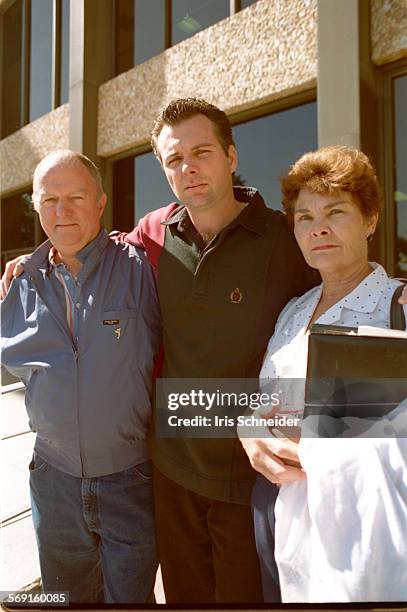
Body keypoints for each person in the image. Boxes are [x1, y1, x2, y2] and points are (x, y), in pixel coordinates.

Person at [240, 145, 407, 602]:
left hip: (362, 525)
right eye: (304, 218)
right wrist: (251, 431)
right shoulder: (293, 312)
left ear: (371, 219)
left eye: (336, 212)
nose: (320, 229)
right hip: (276, 508)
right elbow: (264, 397)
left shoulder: (399, 307)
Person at [0, 151, 161, 604]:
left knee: (130, 600)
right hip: (54, 481)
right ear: (35, 205)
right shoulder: (20, 282)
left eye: (76, 197)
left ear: (101, 202)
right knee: (63, 599)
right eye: (49, 199)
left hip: (130, 478)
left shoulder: (141, 268)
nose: (62, 210)